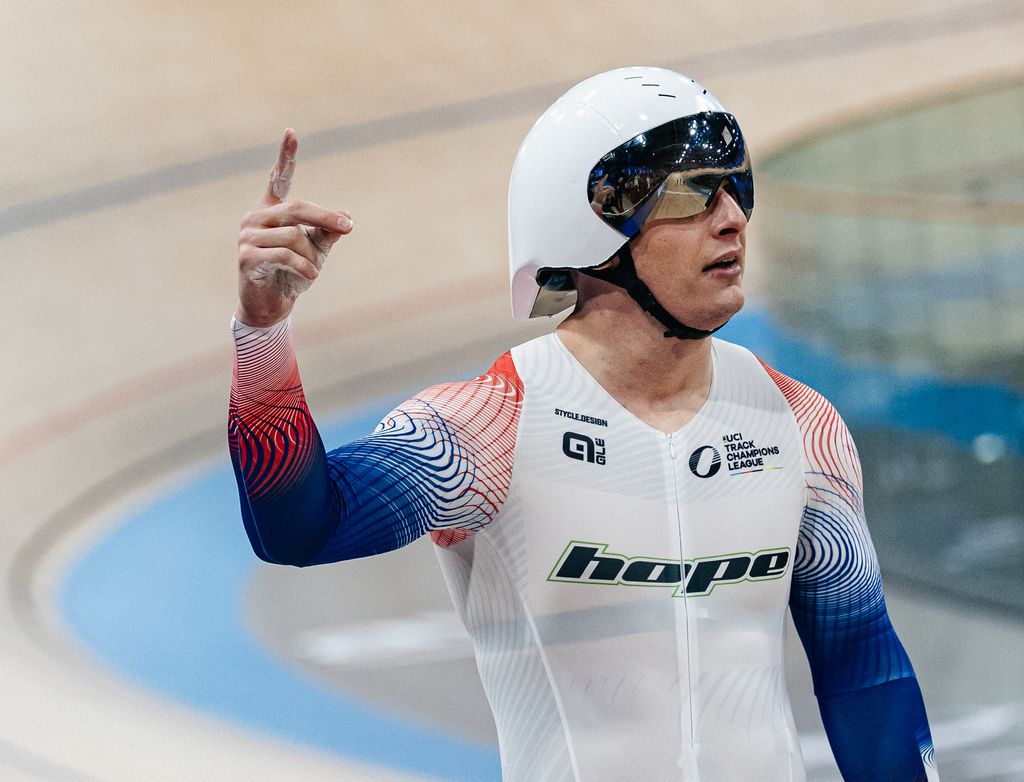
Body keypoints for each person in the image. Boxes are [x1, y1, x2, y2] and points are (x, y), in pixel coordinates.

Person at [228, 67, 937, 781]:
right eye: (691, 194)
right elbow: (300, 527)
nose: (732, 218)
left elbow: (865, 675)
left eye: (736, 186)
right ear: (590, 229)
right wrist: (263, 335)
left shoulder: (799, 426)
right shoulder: (490, 425)